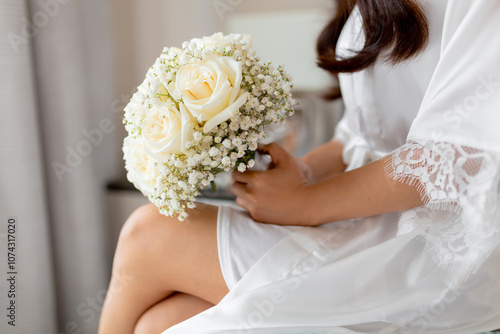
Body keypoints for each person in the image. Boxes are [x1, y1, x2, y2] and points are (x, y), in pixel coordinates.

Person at [98, 0, 500, 333]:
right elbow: (358, 137)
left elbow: (458, 155)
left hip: (438, 246)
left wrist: (305, 204)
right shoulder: (366, 8)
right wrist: (296, 175)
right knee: (159, 322)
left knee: (148, 234)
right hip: (368, 217)